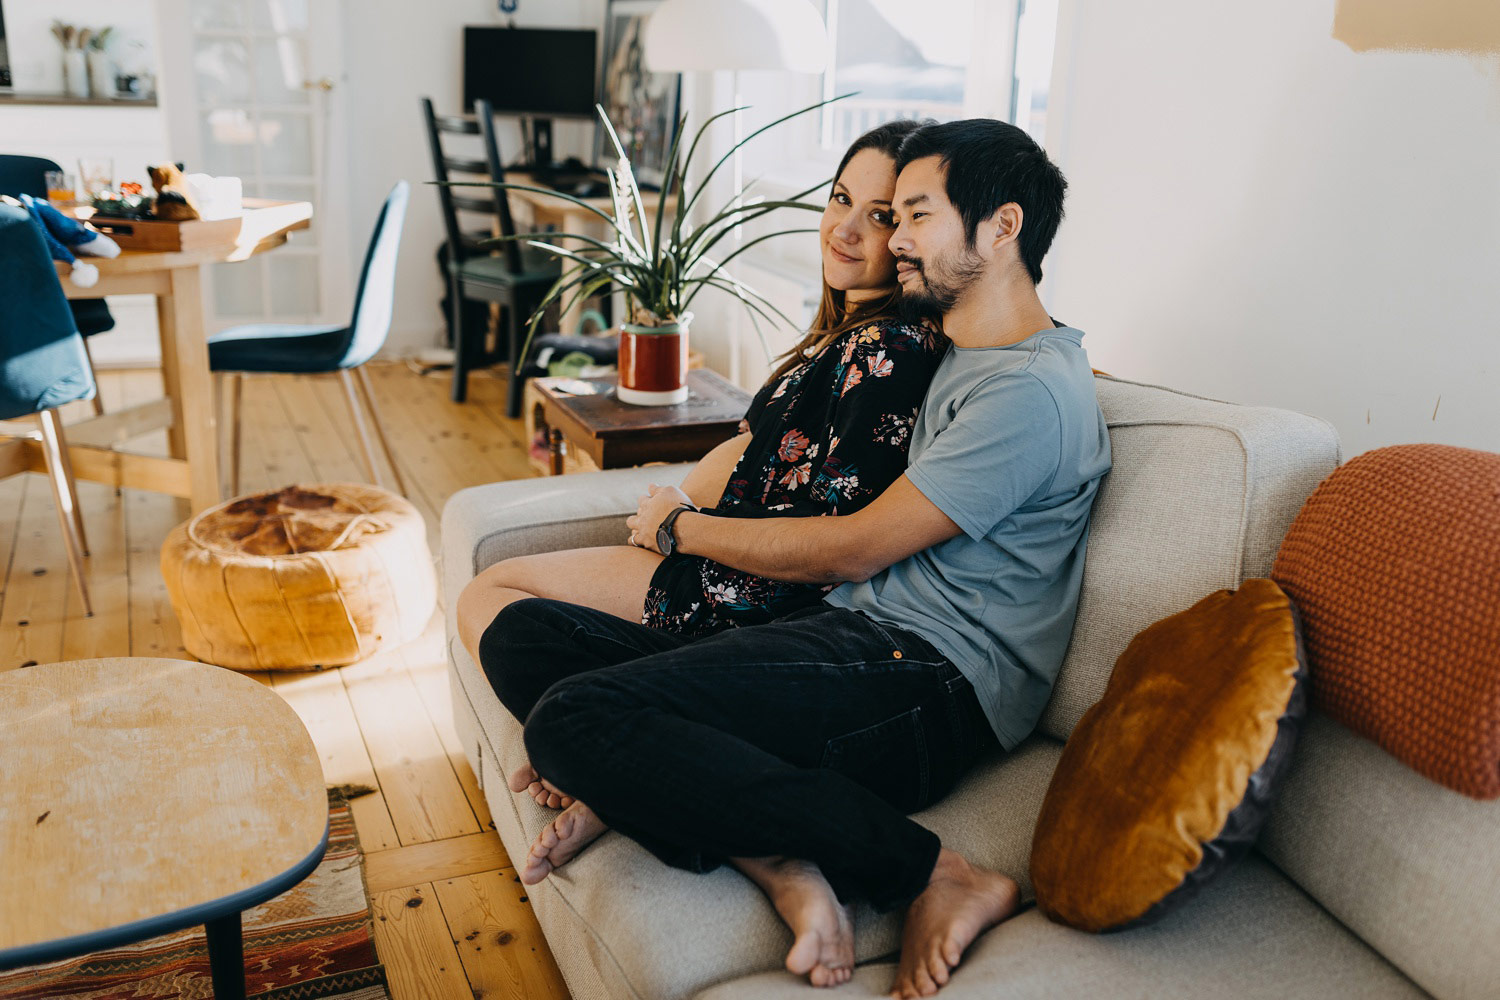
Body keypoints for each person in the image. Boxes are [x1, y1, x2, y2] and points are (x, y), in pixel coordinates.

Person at [480, 118, 1112, 999]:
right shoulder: (969, 355)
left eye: (917, 216)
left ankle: (935, 872)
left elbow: (854, 546)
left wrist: (679, 530)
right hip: (851, 639)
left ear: (1002, 228)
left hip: (930, 680)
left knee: (571, 723)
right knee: (522, 636)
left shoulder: (1030, 392)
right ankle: (730, 828)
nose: (893, 241)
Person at [457, 119, 942, 669]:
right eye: (840, 199)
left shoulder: (889, 348)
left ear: (909, 235)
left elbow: (832, 533)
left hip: (734, 590)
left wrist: (681, 527)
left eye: (878, 216)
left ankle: (605, 718)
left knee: (491, 597)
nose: (844, 229)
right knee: (496, 600)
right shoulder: (852, 330)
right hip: (707, 563)